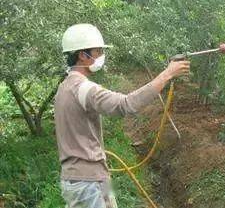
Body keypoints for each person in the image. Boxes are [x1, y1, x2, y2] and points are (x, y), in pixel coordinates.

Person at [54, 23, 190, 208]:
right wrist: (167, 74)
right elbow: (126, 104)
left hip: (80, 179)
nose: (101, 56)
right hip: (88, 183)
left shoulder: (64, 87)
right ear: (82, 55)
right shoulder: (83, 88)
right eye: (98, 51)